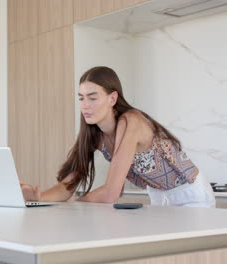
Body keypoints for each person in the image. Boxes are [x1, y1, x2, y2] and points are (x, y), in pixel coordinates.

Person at [21, 66, 216, 208]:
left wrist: (72, 207)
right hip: (158, 195)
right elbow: (68, 185)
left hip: (190, 194)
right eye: (81, 98)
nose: (85, 105)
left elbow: (110, 193)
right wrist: (38, 197)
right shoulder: (94, 135)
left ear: (112, 98)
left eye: (92, 97)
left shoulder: (131, 121)